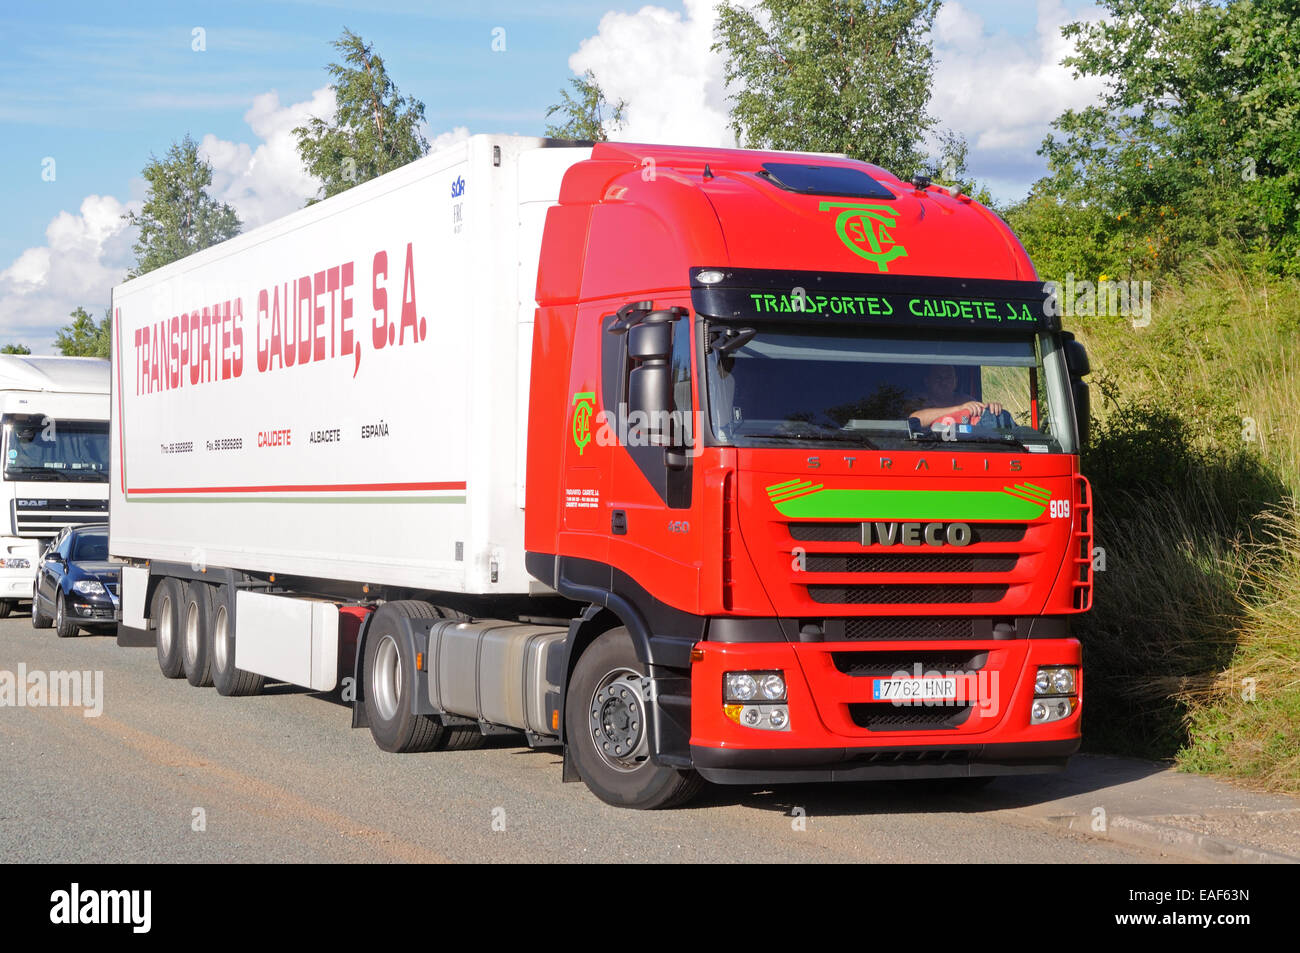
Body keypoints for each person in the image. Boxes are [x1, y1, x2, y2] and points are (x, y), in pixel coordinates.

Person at [908, 364, 1002, 429]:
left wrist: (992, 409)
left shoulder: (966, 400)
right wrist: (959, 409)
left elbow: (982, 421)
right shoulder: (918, 400)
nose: (943, 382)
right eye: (938, 377)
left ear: (955, 381)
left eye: (948, 377)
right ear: (927, 381)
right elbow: (914, 420)